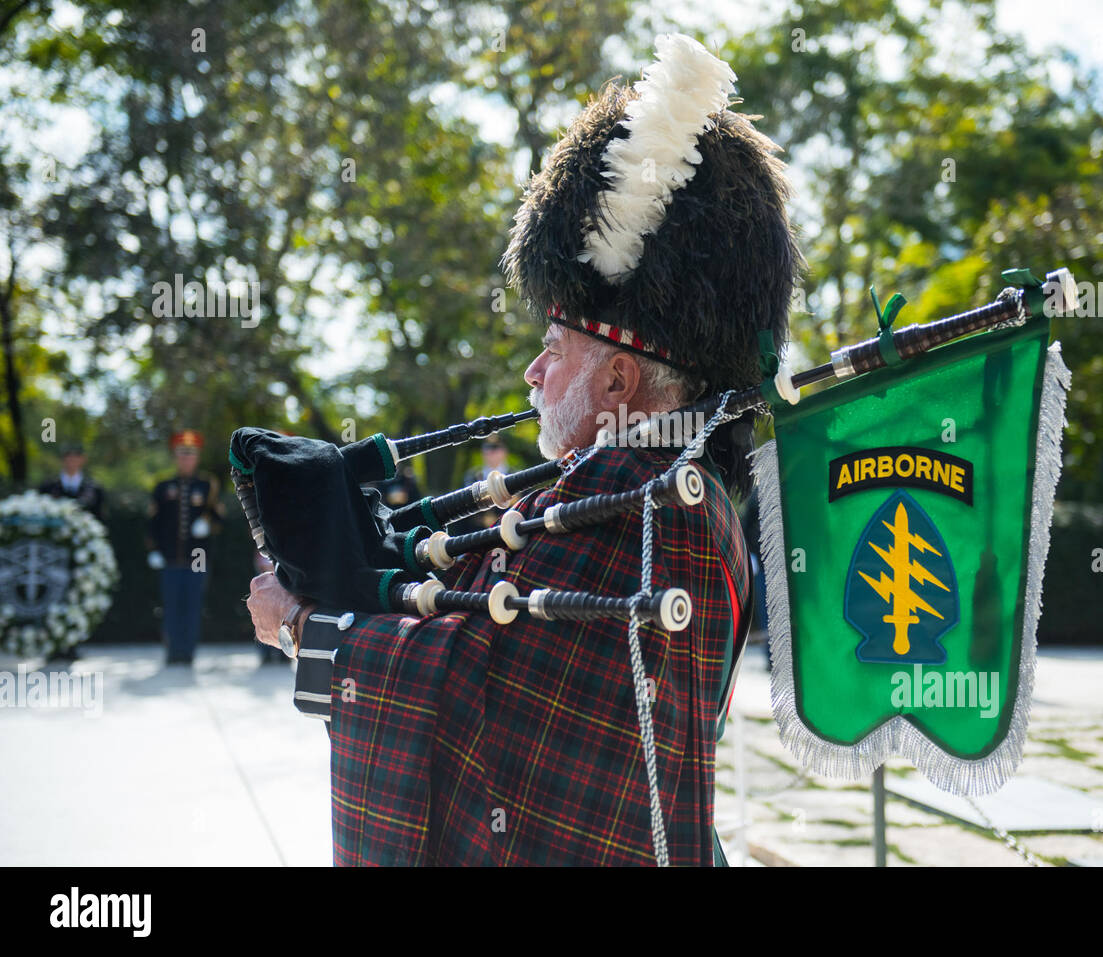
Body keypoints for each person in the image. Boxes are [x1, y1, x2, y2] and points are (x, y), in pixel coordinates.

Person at [244, 35, 800, 865]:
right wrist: (358, 567)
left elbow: (478, 688)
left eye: (553, 345)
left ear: (619, 380)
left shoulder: (643, 497)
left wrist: (304, 627)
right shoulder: (653, 488)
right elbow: (483, 614)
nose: (534, 372)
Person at [147, 429, 224, 665]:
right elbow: (152, 522)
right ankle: (172, 652)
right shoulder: (163, 486)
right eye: (182, 454)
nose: (186, 459)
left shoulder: (207, 485)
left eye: (190, 454)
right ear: (175, 456)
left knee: (192, 606)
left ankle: (188, 652)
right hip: (169, 556)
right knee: (171, 606)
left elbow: (219, 517)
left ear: (197, 457)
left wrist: (207, 524)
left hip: (198, 557)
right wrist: (153, 550)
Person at [448, 435, 513, 534]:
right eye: (488, 449)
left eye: (496, 449)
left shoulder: (514, 476)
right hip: (476, 535)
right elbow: (461, 513)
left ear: (504, 452)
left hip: (508, 533)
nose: (491, 453)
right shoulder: (471, 477)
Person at [38, 442, 106, 521]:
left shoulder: (93, 488)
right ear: (62, 459)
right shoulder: (48, 486)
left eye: (76, 456)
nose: (72, 459)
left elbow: (99, 516)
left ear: (83, 459)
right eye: (68, 456)